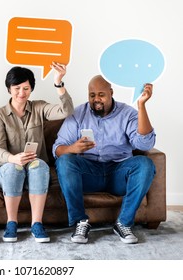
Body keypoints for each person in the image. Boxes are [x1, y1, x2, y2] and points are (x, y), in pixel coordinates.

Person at [53, 75, 156, 244]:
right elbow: (57, 148)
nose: (96, 99)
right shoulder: (78, 114)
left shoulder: (127, 113)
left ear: (111, 93)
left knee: (145, 164)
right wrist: (73, 148)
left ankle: (123, 223)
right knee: (64, 161)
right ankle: (81, 221)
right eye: (92, 95)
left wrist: (141, 106)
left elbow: (145, 144)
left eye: (101, 94)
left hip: (118, 172)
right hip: (88, 174)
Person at [0, 62, 74, 243]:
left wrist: (58, 82)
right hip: (8, 167)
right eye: (17, 88)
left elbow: (66, 111)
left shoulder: (39, 107)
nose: (21, 93)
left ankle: (37, 224)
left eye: (26, 88)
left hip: (35, 166)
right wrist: (13, 158)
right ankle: (11, 223)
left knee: (39, 166)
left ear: (31, 89)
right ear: (9, 89)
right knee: (14, 168)